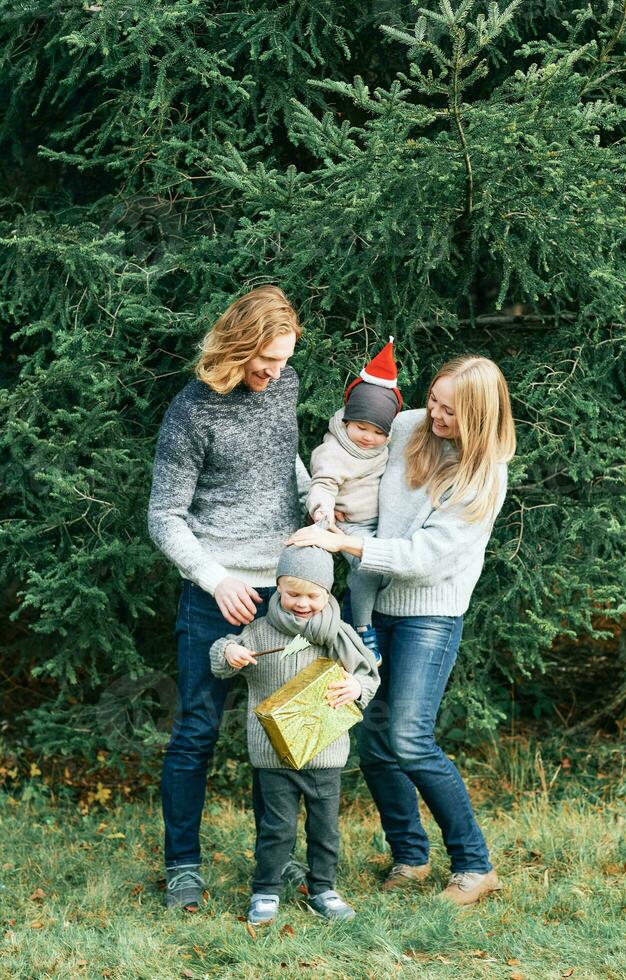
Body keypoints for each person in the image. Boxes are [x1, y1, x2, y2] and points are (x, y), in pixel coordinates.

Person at [288, 355, 516, 907]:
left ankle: (474, 864)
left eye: (448, 410)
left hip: (429, 612)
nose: (432, 414)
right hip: (371, 604)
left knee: (410, 739)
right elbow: (351, 452)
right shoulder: (411, 424)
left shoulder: (484, 475)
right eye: (433, 400)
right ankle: (410, 856)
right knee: (375, 740)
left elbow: (424, 556)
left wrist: (346, 545)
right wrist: (332, 498)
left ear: (481, 417)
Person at [147, 285, 310, 911]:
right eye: (264, 361)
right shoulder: (192, 412)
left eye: (283, 361)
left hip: (284, 593)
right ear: (237, 346)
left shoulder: (285, 386)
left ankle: (280, 858)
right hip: (214, 594)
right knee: (195, 733)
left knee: (283, 732)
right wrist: (217, 578)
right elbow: (165, 517)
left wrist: (313, 496)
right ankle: (183, 867)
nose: (273, 374)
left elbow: (283, 460)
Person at [209, 545, 379, 924]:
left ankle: (323, 888)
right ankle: (266, 890)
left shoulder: (339, 635)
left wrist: (356, 687)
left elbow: (368, 675)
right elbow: (222, 658)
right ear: (278, 588)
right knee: (277, 826)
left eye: (313, 595)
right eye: (293, 594)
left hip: (325, 750)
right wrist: (230, 652)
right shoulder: (260, 629)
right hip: (273, 753)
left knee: (324, 828)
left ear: (329, 593)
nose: (302, 603)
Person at [306, 339, 402, 663]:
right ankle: (362, 628)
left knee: (389, 568)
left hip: (383, 524)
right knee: (366, 567)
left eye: (378, 432)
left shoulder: (385, 448)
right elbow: (323, 484)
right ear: (347, 420)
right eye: (361, 427)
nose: (368, 437)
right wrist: (322, 509)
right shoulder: (334, 451)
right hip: (350, 527)